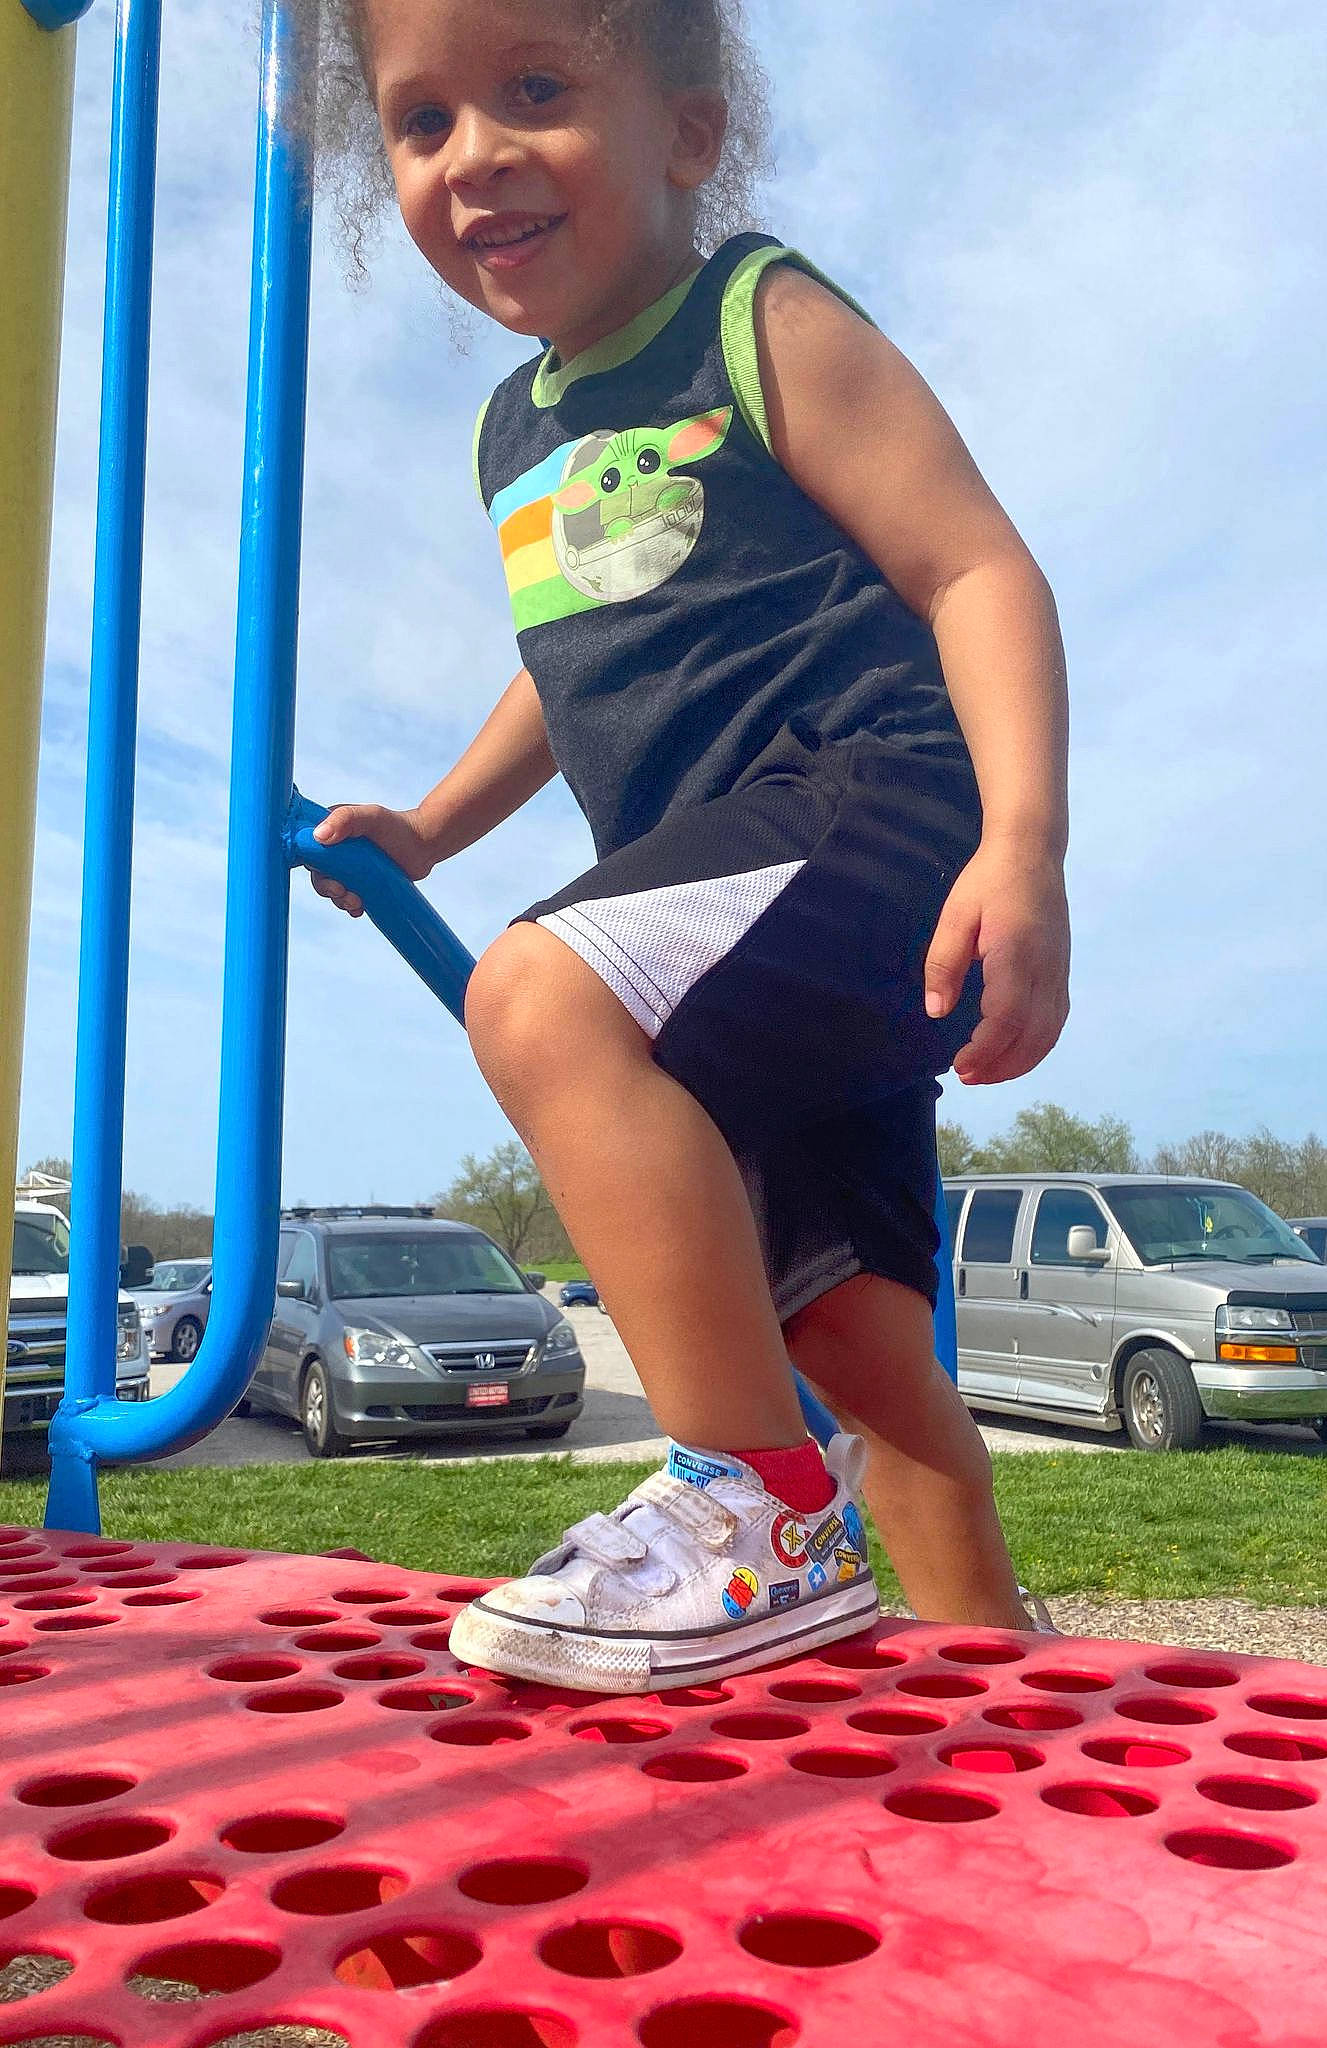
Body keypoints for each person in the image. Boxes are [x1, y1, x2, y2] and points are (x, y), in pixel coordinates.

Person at [305, 0, 1071, 1693]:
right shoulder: (518, 427)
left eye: (535, 89)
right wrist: (435, 820)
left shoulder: (753, 315)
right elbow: (565, 651)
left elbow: (975, 569)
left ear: (690, 134)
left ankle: (750, 1515)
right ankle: (985, 1692)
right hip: (746, 923)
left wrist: (1023, 843)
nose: (474, 155)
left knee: (542, 999)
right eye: (420, 123)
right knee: (852, 1335)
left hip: (872, 804)